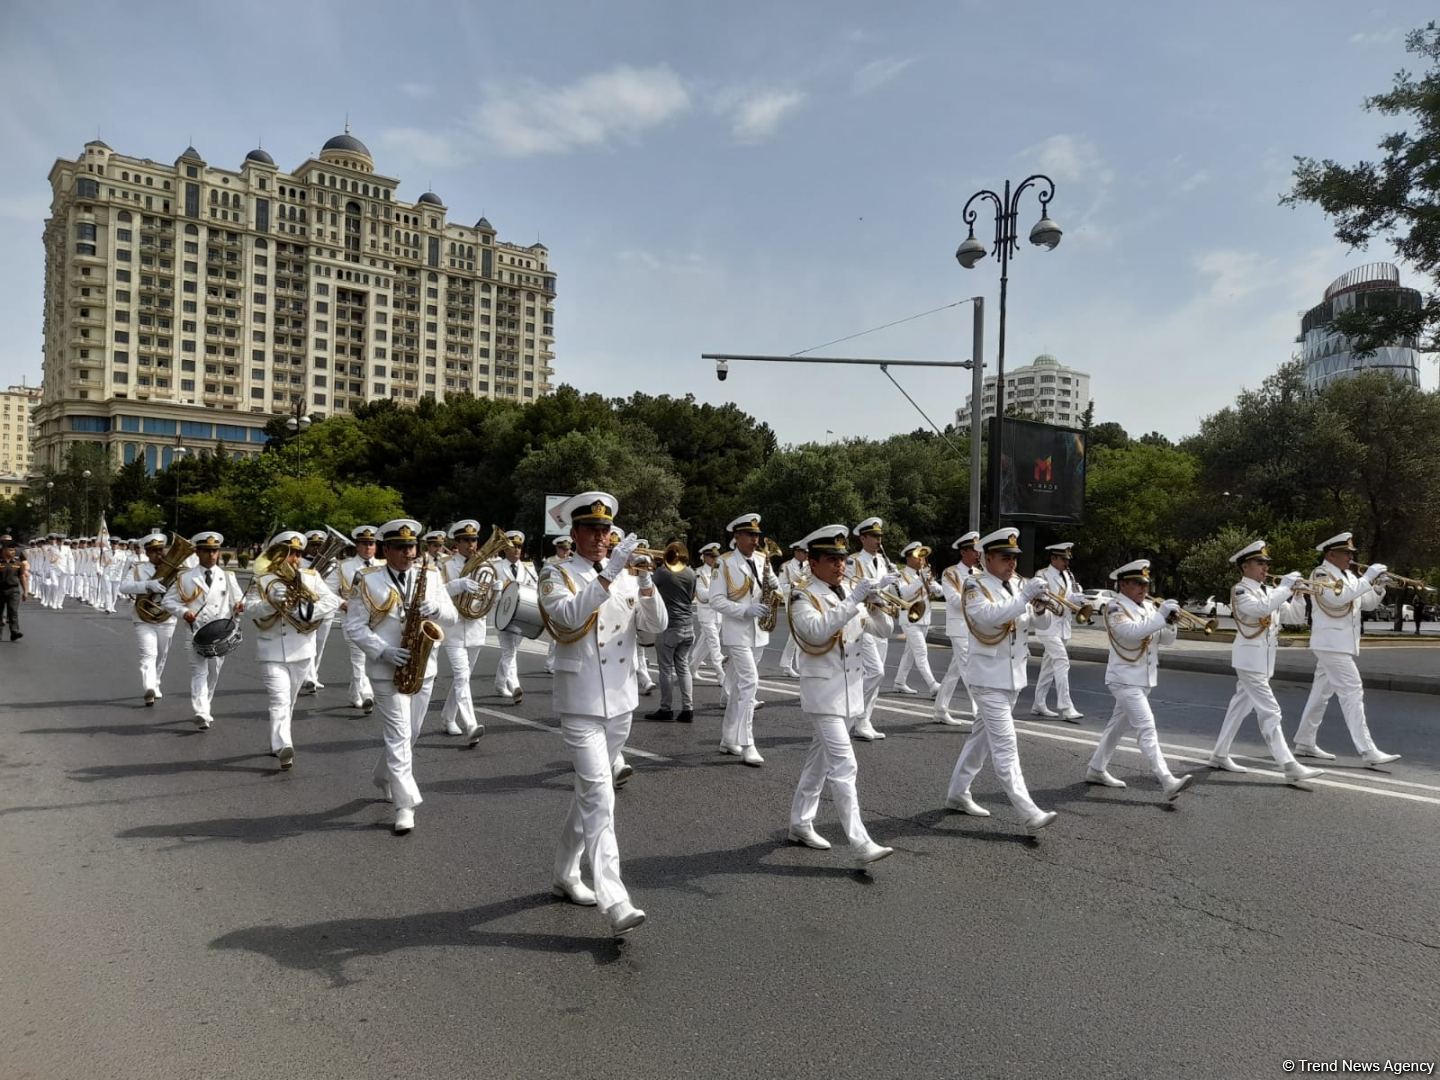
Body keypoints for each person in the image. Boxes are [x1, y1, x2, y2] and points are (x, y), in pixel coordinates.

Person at [539, 491, 666, 936]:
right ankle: (614, 897)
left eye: (605, 531)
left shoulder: (628, 577)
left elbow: (654, 630)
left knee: (588, 795)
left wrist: (647, 584)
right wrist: (609, 575)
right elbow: (569, 618)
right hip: (580, 702)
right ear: (573, 535)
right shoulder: (556, 575)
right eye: (590, 530)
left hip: (621, 700)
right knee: (600, 796)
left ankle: (564, 873)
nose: (599, 538)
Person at [786, 524, 897, 867]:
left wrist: (876, 605)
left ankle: (800, 823)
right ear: (814, 563)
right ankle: (860, 842)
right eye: (832, 560)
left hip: (849, 692)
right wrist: (853, 600)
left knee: (818, 762)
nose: (840, 566)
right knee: (844, 763)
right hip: (823, 692)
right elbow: (816, 631)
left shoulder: (848, 590)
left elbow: (884, 631)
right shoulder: (802, 595)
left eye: (843, 559)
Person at [944, 528, 1059, 834]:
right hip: (986, 677)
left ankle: (957, 792)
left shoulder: (1016, 585)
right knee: (1006, 743)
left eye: (1014, 558)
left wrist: (1039, 607)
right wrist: (1024, 597)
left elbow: (1042, 623)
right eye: (1005, 558)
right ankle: (1027, 810)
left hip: (1012, 676)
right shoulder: (974, 585)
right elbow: (989, 617)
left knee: (980, 739)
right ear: (987, 558)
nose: (1011, 563)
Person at [346, 519, 456, 834]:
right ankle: (404, 805)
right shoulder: (367, 580)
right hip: (385, 670)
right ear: (386, 549)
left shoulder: (432, 576)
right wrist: (383, 650)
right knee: (399, 735)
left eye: (412, 546)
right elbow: (354, 626)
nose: (409, 553)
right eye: (401, 548)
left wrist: (435, 609)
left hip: (422, 666)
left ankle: (382, 776)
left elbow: (452, 616)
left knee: (412, 733)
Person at [1207, 541, 1324, 785]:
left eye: (1266, 564)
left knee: (1239, 707)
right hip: (1249, 660)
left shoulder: (1270, 592)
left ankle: (1219, 754)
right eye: (1260, 563)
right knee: (1270, 711)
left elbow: (1295, 617)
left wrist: (1299, 594)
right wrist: (1285, 587)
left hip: (1264, 660)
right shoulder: (1241, 591)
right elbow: (1260, 610)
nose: (1265, 568)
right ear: (1245, 567)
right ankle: (1288, 764)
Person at [1086, 559, 1195, 801]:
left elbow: (1164, 641)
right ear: (1123, 584)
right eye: (1137, 584)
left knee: (1117, 727)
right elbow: (1131, 633)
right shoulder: (1115, 608)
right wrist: (1160, 617)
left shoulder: (1147, 607)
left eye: (1145, 584)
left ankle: (1096, 768)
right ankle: (1166, 779)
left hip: (1143, 677)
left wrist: (1171, 622)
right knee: (1146, 726)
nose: (1144, 589)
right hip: (1124, 678)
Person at [1292, 532, 1400, 767]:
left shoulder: (1349, 575)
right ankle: (1367, 749)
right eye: (1346, 553)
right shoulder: (1321, 574)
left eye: (1351, 553)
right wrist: (1368, 576)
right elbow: (1337, 599)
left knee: (1320, 694)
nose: (1350, 557)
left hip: (1342, 643)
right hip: (1330, 643)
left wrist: (1379, 586)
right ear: (1331, 554)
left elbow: (1367, 603)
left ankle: (1304, 741)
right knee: (1353, 690)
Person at [249, 531, 338, 769]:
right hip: (271, 650)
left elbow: (332, 601)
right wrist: (269, 603)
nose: (295, 559)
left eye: (298, 554)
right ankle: (284, 745)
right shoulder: (263, 578)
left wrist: (308, 612)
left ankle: (276, 740)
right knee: (279, 699)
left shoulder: (310, 576)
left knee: (290, 700)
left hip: (302, 648)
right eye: (289, 553)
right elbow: (250, 609)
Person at [708, 513, 774, 765]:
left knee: (737, 686)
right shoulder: (723, 563)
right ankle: (748, 743)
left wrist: (777, 588)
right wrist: (744, 610)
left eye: (757, 535)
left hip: (759, 633)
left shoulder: (762, 559)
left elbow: (772, 585)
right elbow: (716, 600)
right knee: (750, 683)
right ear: (736, 536)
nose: (755, 540)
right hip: (737, 632)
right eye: (749, 535)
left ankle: (728, 739)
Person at [163, 530, 245, 730]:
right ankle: (201, 710)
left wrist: (240, 607)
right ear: (197, 553)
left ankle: (205, 704)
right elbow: (168, 601)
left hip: (220, 634)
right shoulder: (185, 578)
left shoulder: (227, 576)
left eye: (215, 550)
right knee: (199, 671)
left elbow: (240, 599)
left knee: (214, 672)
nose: (212, 555)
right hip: (195, 632)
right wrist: (183, 612)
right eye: (207, 551)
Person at [436, 519, 488, 744]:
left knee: (463, 677)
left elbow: (487, 599)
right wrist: (458, 585)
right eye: (466, 540)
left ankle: (448, 717)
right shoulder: (446, 565)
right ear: (457, 542)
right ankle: (471, 724)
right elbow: (436, 593)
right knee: (461, 675)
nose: (471, 544)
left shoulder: (484, 564)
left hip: (476, 626)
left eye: (474, 539)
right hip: (454, 628)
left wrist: (495, 590)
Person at [845, 516, 894, 741]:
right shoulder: (853, 561)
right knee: (875, 672)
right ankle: (852, 714)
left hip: (881, 619)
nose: (878, 540)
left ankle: (864, 720)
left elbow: (887, 590)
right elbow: (853, 588)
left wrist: (894, 588)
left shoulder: (882, 561)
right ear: (862, 538)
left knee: (877, 675)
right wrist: (880, 584)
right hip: (862, 620)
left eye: (880, 536)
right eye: (874, 536)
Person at [117, 533, 178, 705]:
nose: (158, 554)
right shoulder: (138, 569)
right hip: (143, 617)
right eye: (154, 551)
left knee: (162, 653)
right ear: (147, 553)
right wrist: (146, 585)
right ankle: (149, 687)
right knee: (148, 654)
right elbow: (123, 587)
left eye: (160, 550)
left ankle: (156, 681)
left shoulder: (174, 569)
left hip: (166, 617)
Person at [1031, 541, 1087, 721]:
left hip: (1063, 627)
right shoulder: (1042, 575)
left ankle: (1038, 704)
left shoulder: (1067, 576)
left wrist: (1078, 599)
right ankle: (1065, 706)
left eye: (1067, 559)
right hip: (1048, 626)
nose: (1066, 563)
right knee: (1062, 661)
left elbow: (1068, 597)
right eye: (1063, 559)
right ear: (1053, 558)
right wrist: (1060, 605)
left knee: (1048, 667)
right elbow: (1039, 598)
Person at [933, 532, 980, 727]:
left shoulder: (979, 573)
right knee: (969, 668)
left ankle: (940, 709)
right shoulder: (950, 573)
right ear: (963, 552)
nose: (978, 554)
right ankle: (980, 713)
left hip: (975, 628)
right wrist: (974, 597)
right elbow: (953, 600)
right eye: (974, 550)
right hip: (959, 627)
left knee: (955, 671)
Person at [645, 542, 696, 723]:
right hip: (688, 626)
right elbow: (691, 597)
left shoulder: (662, 572)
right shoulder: (691, 573)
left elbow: (647, 589)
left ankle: (666, 709)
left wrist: (651, 565)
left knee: (665, 669)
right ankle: (687, 709)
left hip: (670, 627)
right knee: (683, 667)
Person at [332, 525, 381, 713]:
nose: (368, 547)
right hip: (353, 619)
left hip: (377, 621)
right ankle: (367, 693)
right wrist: (342, 603)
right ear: (357, 546)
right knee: (358, 657)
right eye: (364, 543)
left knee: (370, 656)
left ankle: (354, 693)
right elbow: (327, 591)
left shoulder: (383, 566)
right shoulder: (345, 567)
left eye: (371, 543)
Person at [891, 540, 944, 696]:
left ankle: (899, 682)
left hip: (925, 617)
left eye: (922, 556)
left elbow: (940, 593)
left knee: (910, 652)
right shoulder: (901, 575)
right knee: (921, 651)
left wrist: (934, 586)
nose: (921, 559)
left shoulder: (923, 574)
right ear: (908, 558)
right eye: (917, 556)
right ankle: (933, 685)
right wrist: (920, 581)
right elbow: (904, 594)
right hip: (909, 618)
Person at [491, 530, 535, 703]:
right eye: (512, 546)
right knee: (509, 651)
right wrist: (497, 592)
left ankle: (500, 684)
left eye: (518, 546)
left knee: (511, 651)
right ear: (504, 548)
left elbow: (535, 589)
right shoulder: (495, 567)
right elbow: (489, 596)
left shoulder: (529, 568)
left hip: (523, 616)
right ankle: (514, 685)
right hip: (502, 616)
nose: (516, 550)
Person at [692, 542, 726, 685]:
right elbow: (701, 594)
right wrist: (718, 593)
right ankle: (721, 675)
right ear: (705, 557)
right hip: (706, 614)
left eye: (716, 557)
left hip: (718, 614)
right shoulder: (699, 573)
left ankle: (691, 668)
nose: (715, 560)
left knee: (704, 644)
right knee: (714, 643)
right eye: (712, 557)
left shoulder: (719, 572)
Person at [776, 541, 809, 677]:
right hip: (792, 602)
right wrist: (795, 585)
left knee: (797, 636)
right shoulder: (787, 566)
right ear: (797, 552)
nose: (806, 555)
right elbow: (780, 586)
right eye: (804, 552)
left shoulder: (809, 565)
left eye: (807, 553)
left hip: (807, 602)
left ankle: (788, 665)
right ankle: (793, 666)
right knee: (797, 634)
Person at [543, 536, 573, 674]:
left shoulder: (573, 561)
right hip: (556, 598)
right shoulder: (551, 562)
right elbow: (545, 581)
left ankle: (561, 662)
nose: (565, 552)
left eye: (567, 549)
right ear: (557, 548)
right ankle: (550, 664)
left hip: (570, 597)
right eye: (563, 549)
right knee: (555, 635)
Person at [0, 538, 28, 640]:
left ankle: (14, 632)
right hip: (0, 590)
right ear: (4, 550)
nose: (13, 552)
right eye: (11, 550)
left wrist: (25, 591)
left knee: (13, 611)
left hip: (14, 590)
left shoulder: (18, 563)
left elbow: (22, 577)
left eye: (14, 550)